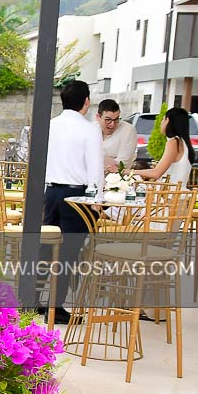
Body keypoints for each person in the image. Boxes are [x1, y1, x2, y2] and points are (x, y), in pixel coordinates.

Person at [43, 80, 105, 321]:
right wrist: (97, 200)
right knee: (68, 253)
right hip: (77, 196)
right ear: (86, 102)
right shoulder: (90, 129)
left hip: (51, 193)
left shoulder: (51, 125)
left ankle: (34, 301)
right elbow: (95, 168)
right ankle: (56, 308)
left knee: (45, 248)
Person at [134, 107, 195, 187]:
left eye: (163, 119)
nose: (161, 123)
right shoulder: (183, 142)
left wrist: (129, 171)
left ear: (167, 120)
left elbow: (156, 173)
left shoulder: (174, 142)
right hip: (176, 191)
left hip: (168, 193)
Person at [97, 99, 136, 172]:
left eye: (116, 119)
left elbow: (123, 163)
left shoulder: (128, 130)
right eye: (108, 120)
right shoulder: (91, 128)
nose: (112, 124)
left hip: (116, 178)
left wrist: (97, 161)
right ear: (98, 117)